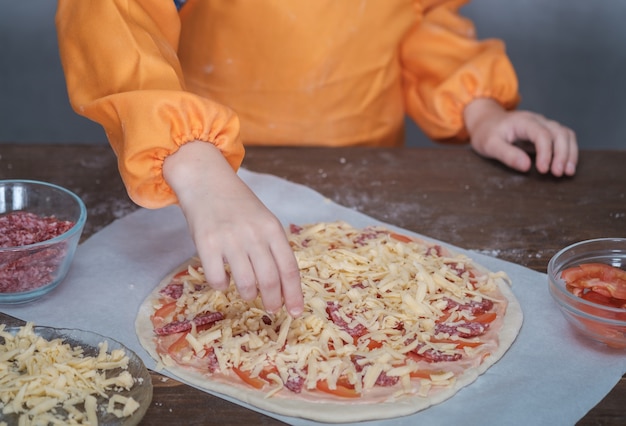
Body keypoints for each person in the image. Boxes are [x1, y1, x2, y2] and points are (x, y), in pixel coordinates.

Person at [55, 1, 578, 318]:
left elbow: (422, 15)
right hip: (208, 185)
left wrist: (478, 107)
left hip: (367, 167)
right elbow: (113, 15)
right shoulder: (196, 168)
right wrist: (190, 157)